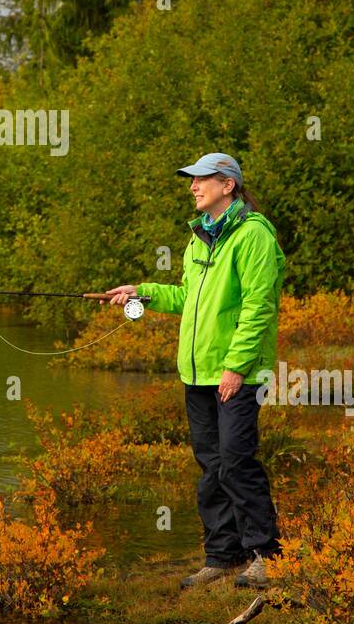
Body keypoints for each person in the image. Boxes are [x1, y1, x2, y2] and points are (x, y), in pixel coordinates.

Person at [100, 153, 286, 590]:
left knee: (238, 463)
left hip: (236, 374)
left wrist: (236, 367)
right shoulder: (199, 237)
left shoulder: (253, 235)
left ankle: (266, 557)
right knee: (211, 466)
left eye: (201, 179)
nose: (192, 187)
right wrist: (141, 292)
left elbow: (259, 307)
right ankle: (222, 557)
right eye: (192, 179)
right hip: (197, 373)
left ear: (228, 185)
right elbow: (188, 297)